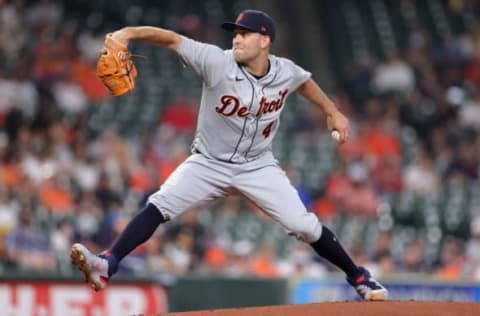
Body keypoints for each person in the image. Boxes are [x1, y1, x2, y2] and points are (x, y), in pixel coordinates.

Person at [71, 9, 388, 301]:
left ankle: (359, 276)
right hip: (208, 162)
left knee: (303, 225)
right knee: (159, 202)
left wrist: (332, 111)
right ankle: (107, 264)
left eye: (245, 33)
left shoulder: (284, 70)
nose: (236, 38)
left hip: (258, 165)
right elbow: (169, 38)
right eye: (234, 33)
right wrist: (128, 33)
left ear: (264, 41)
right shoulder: (215, 60)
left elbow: (304, 82)